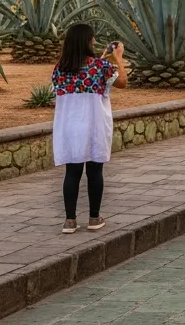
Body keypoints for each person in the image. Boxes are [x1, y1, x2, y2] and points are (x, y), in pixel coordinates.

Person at [52, 23, 127, 233]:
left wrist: (103, 59)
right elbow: (122, 81)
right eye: (92, 38)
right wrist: (118, 58)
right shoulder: (99, 67)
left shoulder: (60, 68)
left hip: (69, 127)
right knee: (95, 172)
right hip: (94, 125)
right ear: (87, 41)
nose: (94, 41)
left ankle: (69, 220)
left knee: (72, 173)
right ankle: (94, 218)